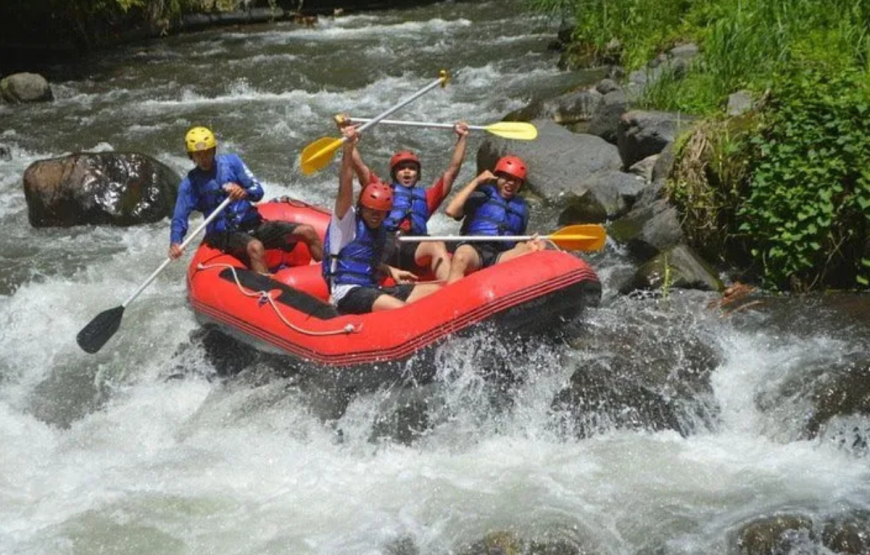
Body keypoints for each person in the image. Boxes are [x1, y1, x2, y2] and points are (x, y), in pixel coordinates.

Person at [169, 126, 323, 274]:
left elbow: (258, 191)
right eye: (198, 154)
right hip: (223, 235)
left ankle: (333, 279)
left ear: (213, 151)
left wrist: (244, 192)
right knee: (255, 247)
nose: (203, 158)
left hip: (252, 225)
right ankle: (267, 293)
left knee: (307, 231)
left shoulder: (232, 163)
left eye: (207, 153)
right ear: (191, 156)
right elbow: (179, 218)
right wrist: (176, 242)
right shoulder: (189, 184)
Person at [322, 125, 441, 314]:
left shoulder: (380, 230)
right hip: (347, 291)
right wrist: (348, 150)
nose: (375, 215)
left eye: (381, 212)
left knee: (437, 292)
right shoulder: (346, 221)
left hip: (371, 288)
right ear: (362, 208)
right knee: (403, 311)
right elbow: (345, 183)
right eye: (371, 211)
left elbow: (365, 257)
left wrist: (388, 269)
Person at [337, 114, 469, 282]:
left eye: (412, 168)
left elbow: (452, 171)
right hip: (385, 242)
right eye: (402, 169)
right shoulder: (381, 190)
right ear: (394, 174)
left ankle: (452, 291)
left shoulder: (427, 198)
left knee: (437, 244)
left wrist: (462, 138)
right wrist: (346, 135)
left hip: (413, 247)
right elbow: (359, 166)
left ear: (418, 174)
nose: (407, 172)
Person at [444, 155, 544, 284]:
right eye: (507, 178)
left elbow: (518, 241)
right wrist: (476, 181)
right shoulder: (482, 195)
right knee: (461, 257)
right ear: (497, 177)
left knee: (534, 248)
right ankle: (453, 299)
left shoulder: (522, 208)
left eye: (516, 180)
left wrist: (529, 244)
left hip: (501, 255)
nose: (511, 183)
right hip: (475, 249)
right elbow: (451, 211)